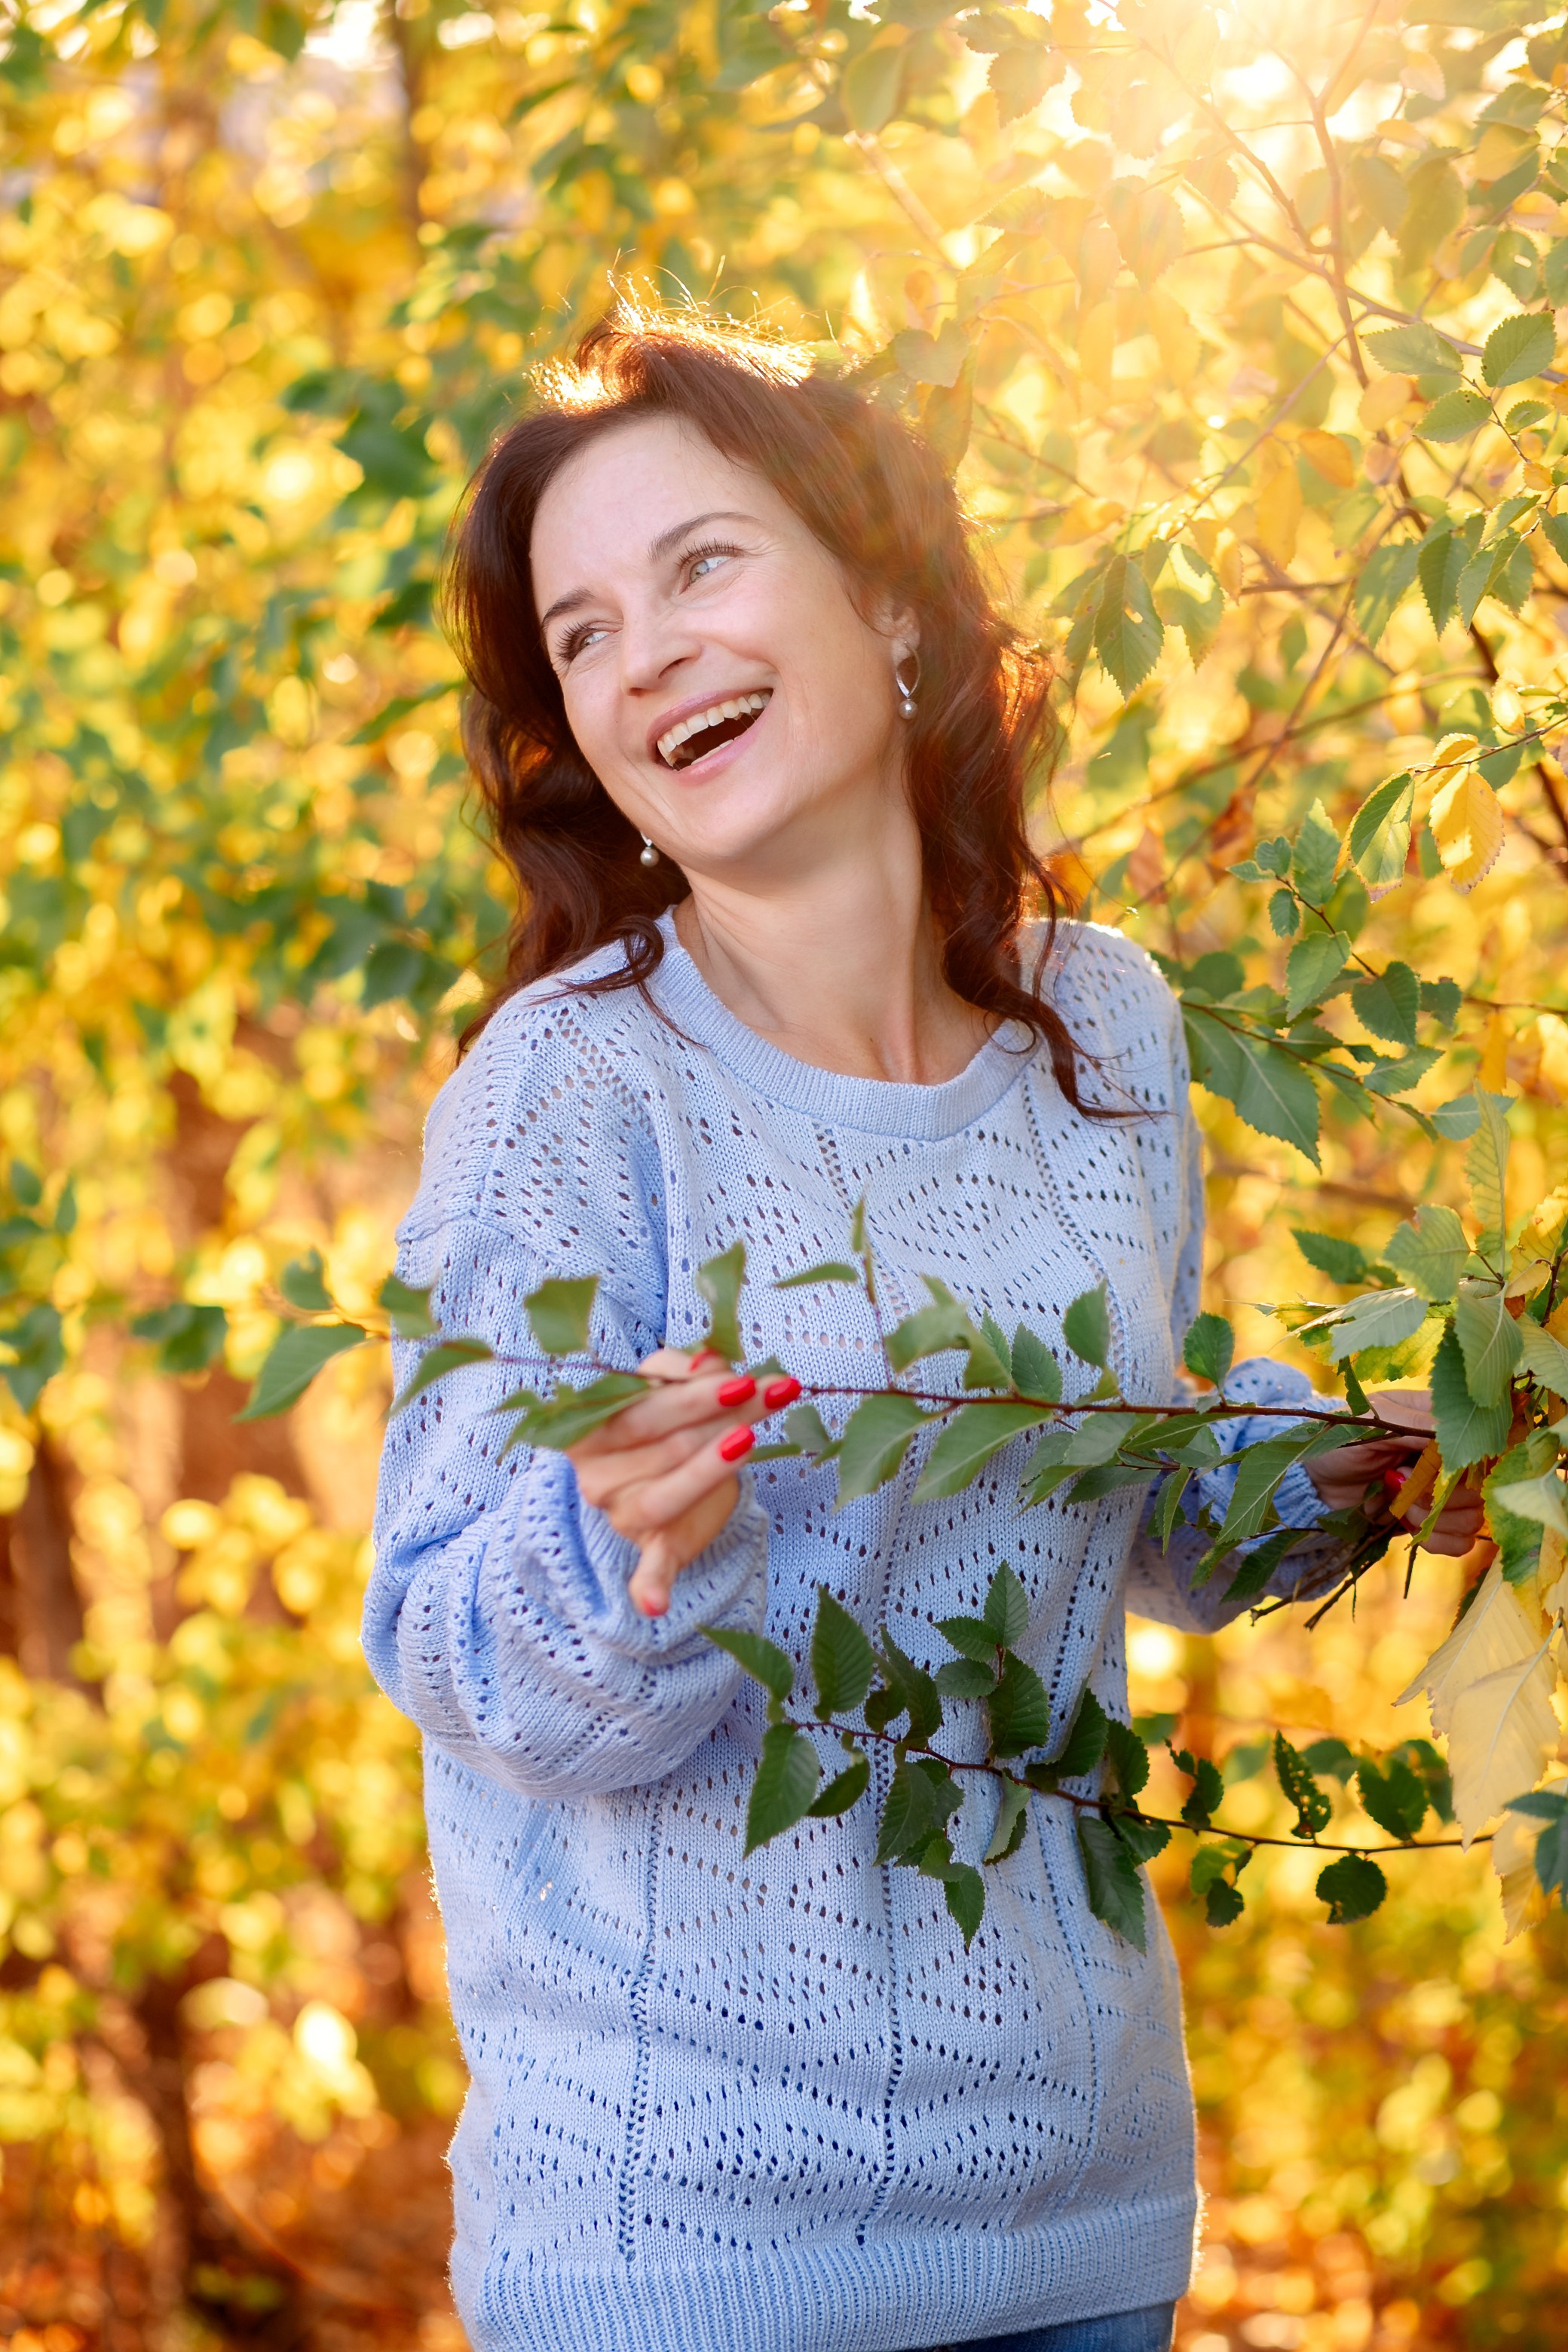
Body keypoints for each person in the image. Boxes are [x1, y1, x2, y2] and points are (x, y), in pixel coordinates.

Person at [364, 311, 1481, 2352]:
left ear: (884, 597)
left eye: (700, 566)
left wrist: (1366, 1459)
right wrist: (626, 1553)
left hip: (1078, 2214)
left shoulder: (1108, 1034)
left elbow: (1133, 1501)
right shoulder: (566, 1095)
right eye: (584, 632)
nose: (644, 659)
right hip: (683, 2258)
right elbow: (444, 1639)